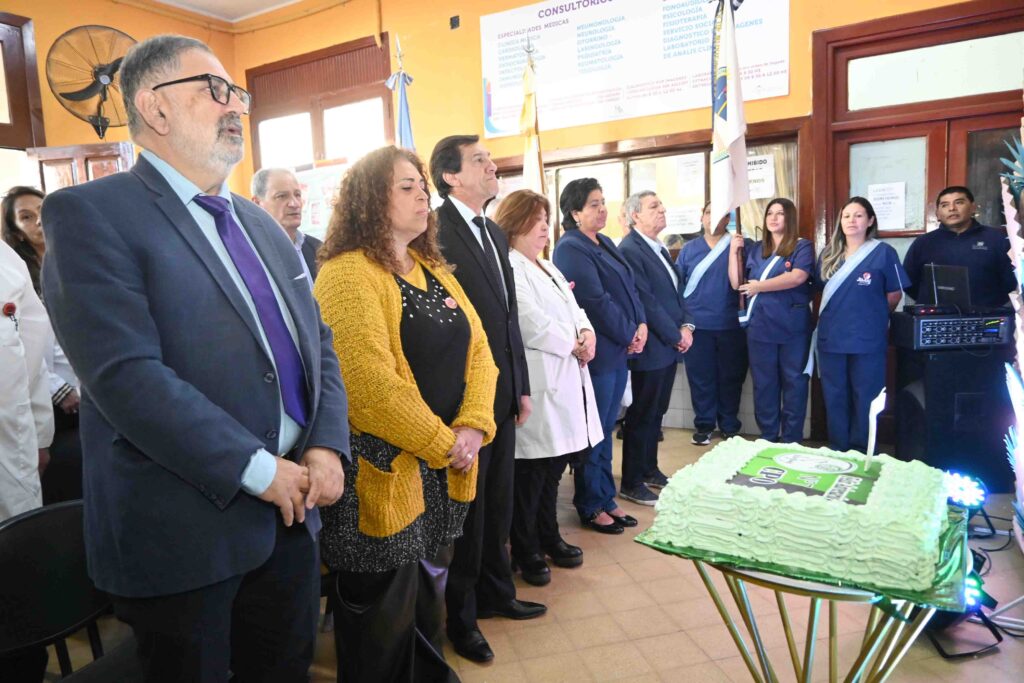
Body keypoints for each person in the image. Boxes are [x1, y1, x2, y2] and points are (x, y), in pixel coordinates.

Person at [41, 35, 350, 682]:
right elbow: (126, 377)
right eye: (214, 90)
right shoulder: (91, 214)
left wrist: (325, 443)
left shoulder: (258, 222)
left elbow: (315, 339)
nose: (234, 105)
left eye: (236, 92)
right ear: (154, 107)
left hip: (291, 516)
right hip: (184, 533)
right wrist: (257, 468)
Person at [314, 145, 497, 682]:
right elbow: (367, 386)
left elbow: (480, 350)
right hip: (382, 477)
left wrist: (473, 424)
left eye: (423, 185)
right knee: (382, 624)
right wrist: (446, 444)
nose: (423, 196)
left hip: (442, 470)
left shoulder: (432, 267)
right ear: (370, 199)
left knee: (426, 607)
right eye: (406, 186)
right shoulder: (347, 274)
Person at [429, 135, 543, 664]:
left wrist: (520, 384)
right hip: (462, 400)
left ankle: (499, 593)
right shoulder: (434, 231)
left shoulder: (493, 231)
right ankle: (463, 618)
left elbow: (507, 316)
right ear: (450, 176)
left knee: (498, 502)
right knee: (469, 516)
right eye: (480, 160)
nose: (492, 165)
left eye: (490, 159)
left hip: (501, 391)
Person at [495, 189, 602, 586]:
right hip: (539, 382)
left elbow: (576, 309)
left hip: (567, 378)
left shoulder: (546, 266)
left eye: (545, 220)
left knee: (554, 468)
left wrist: (587, 333)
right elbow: (529, 321)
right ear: (514, 223)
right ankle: (526, 549)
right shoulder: (509, 266)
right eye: (535, 220)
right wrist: (572, 343)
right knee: (532, 474)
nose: (544, 227)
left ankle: (549, 536)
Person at [552, 178, 646, 534]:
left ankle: (606, 497)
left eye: (603, 202)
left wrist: (641, 325)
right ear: (575, 212)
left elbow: (630, 288)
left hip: (619, 350)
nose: (603, 209)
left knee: (607, 428)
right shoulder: (570, 248)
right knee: (594, 431)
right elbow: (594, 301)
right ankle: (591, 504)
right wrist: (628, 333)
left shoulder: (604, 241)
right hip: (600, 354)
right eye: (593, 204)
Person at [2, 185, 83, 504]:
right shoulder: (20, 268)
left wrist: (39, 436)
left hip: (23, 427)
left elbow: (31, 351)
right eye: (26, 216)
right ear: (15, 231)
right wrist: (59, 390)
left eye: (42, 210)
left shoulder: (12, 267)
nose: (38, 220)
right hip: (53, 400)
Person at [813, 197, 908, 452]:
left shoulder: (884, 253)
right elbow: (819, 291)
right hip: (832, 338)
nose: (851, 221)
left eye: (858, 215)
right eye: (846, 216)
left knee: (866, 396)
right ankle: (838, 447)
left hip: (867, 339)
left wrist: (872, 317)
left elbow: (894, 294)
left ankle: (862, 449)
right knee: (834, 395)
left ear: (870, 220)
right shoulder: (829, 254)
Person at [0, 240, 54, 682]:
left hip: (9, 456)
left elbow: (33, 346)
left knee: (17, 610)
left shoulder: (5, 262)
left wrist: (39, 433)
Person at [617, 191, 692, 506]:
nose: (662, 209)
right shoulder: (630, 249)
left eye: (661, 204)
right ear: (635, 215)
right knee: (641, 416)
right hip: (650, 347)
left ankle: (649, 468)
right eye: (653, 206)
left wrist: (686, 326)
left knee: (656, 413)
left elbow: (675, 293)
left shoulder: (657, 246)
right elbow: (646, 300)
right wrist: (675, 334)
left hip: (667, 345)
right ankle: (632, 481)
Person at [728, 198, 812, 444]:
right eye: (770, 213)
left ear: (790, 217)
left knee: (794, 382)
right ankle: (768, 436)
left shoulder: (802, 246)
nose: (773, 218)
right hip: (760, 326)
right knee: (764, 383)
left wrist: (760, 287)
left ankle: (791, 438)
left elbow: (797, 277)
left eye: (780, 213)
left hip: (792, 326)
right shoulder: (755, 249)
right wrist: (733, 252)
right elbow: (737, 283)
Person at [678, 201, 750, 445]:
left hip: (731, 324)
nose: (712, 218)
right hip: (697, 326)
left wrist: (736, 250)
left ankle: (729, 425)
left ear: (728, 219)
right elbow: (679, 284)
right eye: (708, 212)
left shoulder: (739, 244)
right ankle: (704, 425)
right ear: (702, 216)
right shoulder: (689, 249)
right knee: (700, 378)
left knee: (732, 378)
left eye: (719, 214)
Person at [903, 186, 1015, 309]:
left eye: (959, 202)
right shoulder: (923, 243)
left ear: (973, 208)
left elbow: (1011, 282)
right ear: (938, 214)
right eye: (944, 205)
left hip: (986, 315)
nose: (952, 208)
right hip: (935, 315)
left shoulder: (997, 239)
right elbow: (908, 283)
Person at [251, 167, 322, 284]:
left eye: (297, 195)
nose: (294, 204)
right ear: (257, 203)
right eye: (282, 196)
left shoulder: (318, 249)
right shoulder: (251, 255)